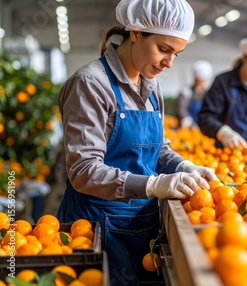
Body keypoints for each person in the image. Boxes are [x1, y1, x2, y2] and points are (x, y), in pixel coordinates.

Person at [55, 0, 217, 284]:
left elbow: (158, 148)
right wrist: (153, 185)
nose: (169, 63)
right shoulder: (91, 84)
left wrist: (185, 166)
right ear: (135, 32)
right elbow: (83, 171)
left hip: (142, 224)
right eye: (163, 49)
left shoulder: (151, 86)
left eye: (177, 54)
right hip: (97, 227)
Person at [176, 60, 213, 128]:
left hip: (202, 127)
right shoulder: (186, 92)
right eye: (198, 80)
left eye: (201, 81)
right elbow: (181, 110)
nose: (199, 83)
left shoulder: (207, 94)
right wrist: (188, 121)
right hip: (186, 129)